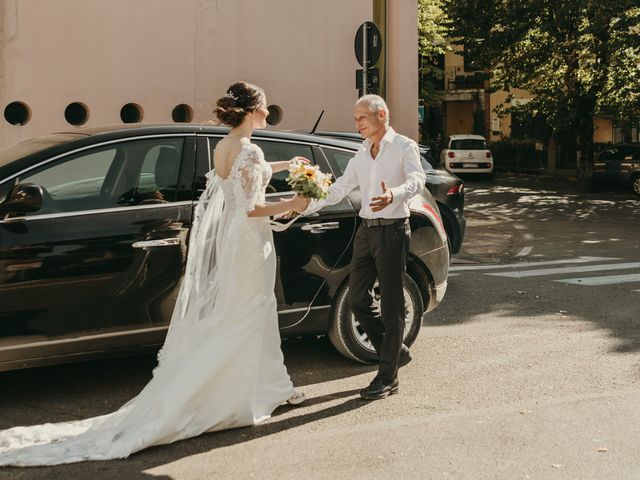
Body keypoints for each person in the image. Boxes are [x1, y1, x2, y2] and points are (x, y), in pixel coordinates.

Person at [0, 81, 310, 466]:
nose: (267, 111)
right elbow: (251, 207)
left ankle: (270, 385)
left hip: (236, 244)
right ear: (251, 110)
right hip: (249, 244)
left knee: (240, 314)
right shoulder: (250, 149)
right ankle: (234, 393)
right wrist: (293, 202)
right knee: (247, 315)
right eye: (264, 106)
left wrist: (285, 165)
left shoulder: (226, 145)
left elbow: (238, 181)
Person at [304, 94, 426, 401]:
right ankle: (394, 349)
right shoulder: (362, 151)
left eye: (362, 117)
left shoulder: (403, 146)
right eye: (356, 118)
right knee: (357, 299)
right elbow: (342, 186)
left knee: (392, 304)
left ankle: (388, 377)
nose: (357, 123)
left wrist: (394, 195)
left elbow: (418, 179)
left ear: (381, 114)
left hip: (393, 230)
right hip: (366, 230)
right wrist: (303, 207)